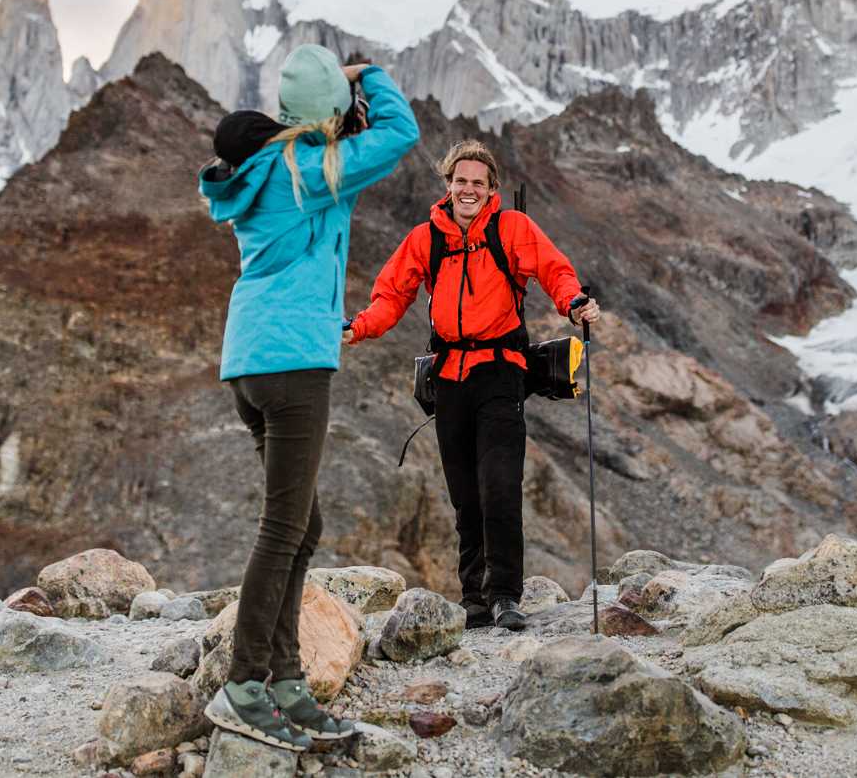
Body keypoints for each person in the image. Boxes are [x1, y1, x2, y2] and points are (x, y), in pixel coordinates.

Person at [199, 44, 419, 751]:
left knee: (304, 522)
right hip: (295, 360)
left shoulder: (262, 170)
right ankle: (243, 685)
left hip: (250, 362)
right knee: (282, 526)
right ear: (326, 110)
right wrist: (369, 77)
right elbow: (402, 133)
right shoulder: (312, 170)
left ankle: (286, 683)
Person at [345, 140, 600, 631]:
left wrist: (573, 302)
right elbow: (391, 295)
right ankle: (474, 600)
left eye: (478, 183)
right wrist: (359, 327)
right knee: (465, 495)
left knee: (500, 486)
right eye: (460, 181)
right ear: (448, 186)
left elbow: (555, 271)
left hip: (502, 372)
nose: (468, 189)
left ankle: (504, 595)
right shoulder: (426, 238)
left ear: (491, 191)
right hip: (449, 377)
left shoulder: (513, 228)